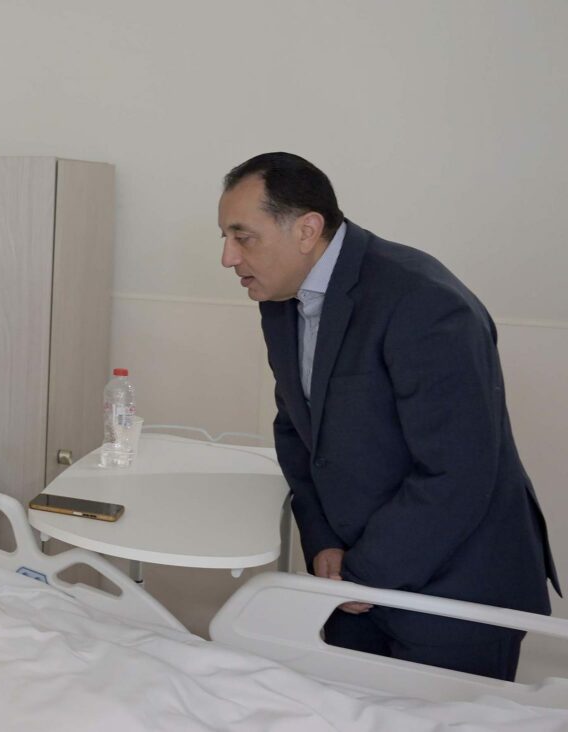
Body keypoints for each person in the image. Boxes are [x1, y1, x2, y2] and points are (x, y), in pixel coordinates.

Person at [217, 152, 559, 680]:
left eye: (243, 237)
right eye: (225, 237)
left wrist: (365, 570)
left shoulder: (422, 302)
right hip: (353, 579)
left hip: (454, 586)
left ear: (306, 230)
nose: (227, 257)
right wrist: (324, 541)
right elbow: (298, 432)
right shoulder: (282, 299)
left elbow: (459, 472)